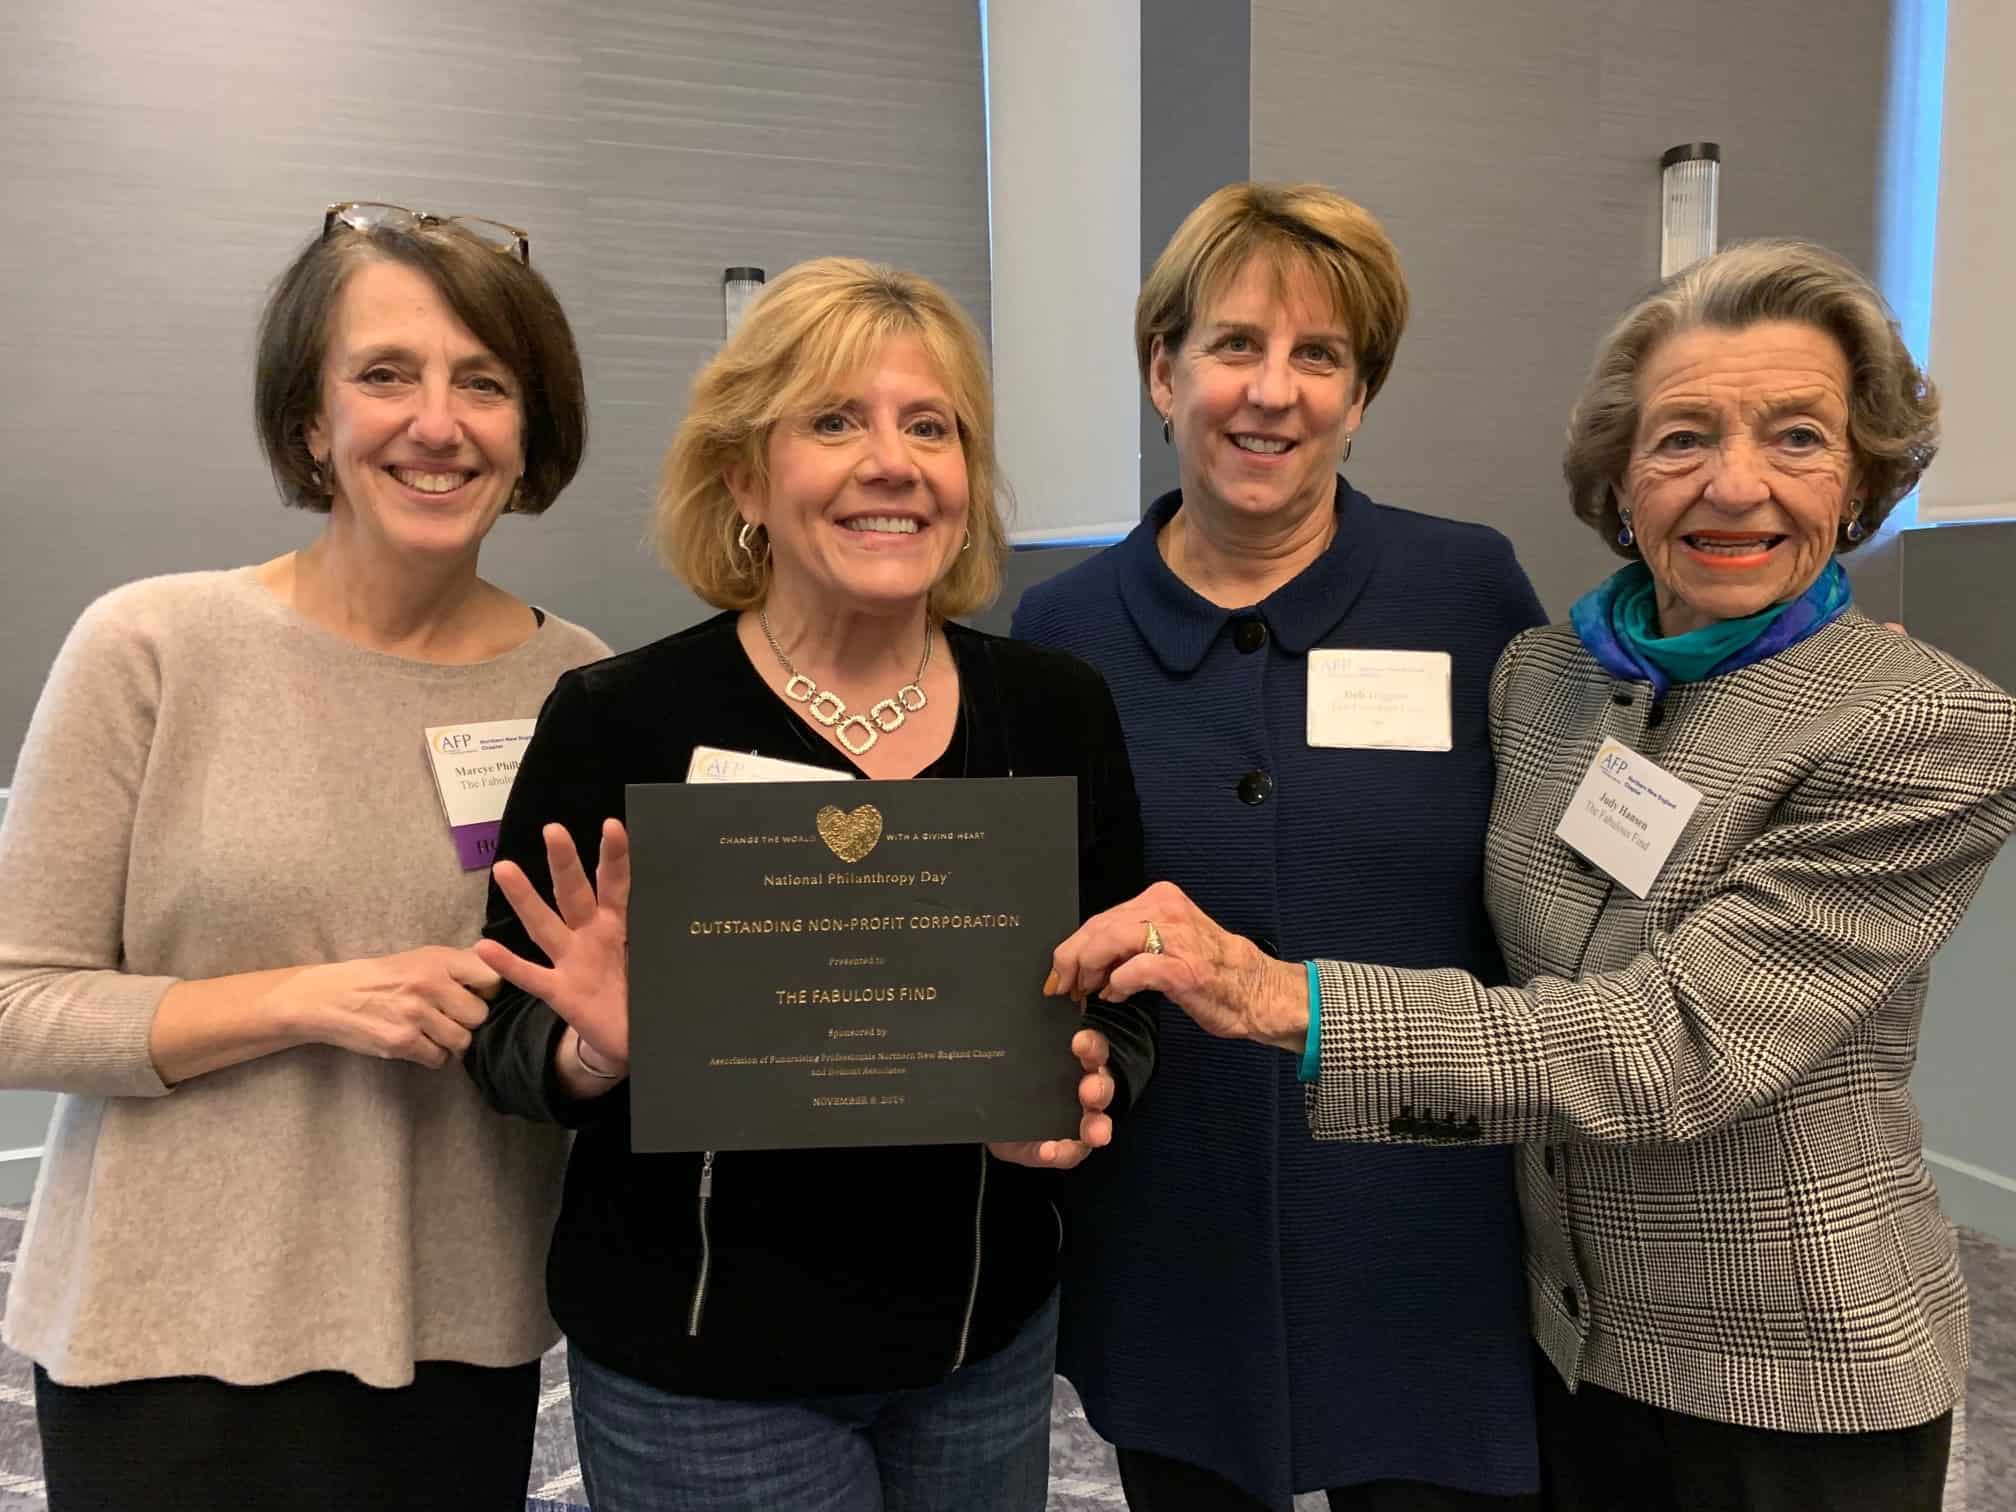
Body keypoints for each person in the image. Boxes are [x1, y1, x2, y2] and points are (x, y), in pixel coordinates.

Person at [1053, 238, 2016, 1512]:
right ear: (1621, 478)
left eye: (1797, 438)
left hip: (1783, 1355)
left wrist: (1294, 998)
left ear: (1865, 479)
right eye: (1681, 439)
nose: (1735, 485)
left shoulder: (1921, 724)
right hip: (1563, 1324)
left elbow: (1673, 1042)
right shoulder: (1553, 679)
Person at [463, 255, 1156, 1512]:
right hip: (705, 1370)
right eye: (833, 420)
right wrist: (594, 1054)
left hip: (979, 1350)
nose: (891, 461)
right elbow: (505, 1033)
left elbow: (1123, 997)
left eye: (930, 426)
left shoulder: (1053, 711)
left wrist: (1087, 1071)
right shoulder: (622, 718)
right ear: (744, 477)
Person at [0, 203, 606, 1510]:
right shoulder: (150, 647)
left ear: (530, 430)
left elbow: (580, 1014)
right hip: (165, 1342)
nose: (435, 424)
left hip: (464, 1336)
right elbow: (11, 1006)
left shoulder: (586, 687)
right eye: (384, 375)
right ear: (310, 421)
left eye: (483, 384)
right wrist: (308, 999)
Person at [1013, 182, 1544, 1510]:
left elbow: (1584, 820)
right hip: (1172, 1231)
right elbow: (1030, 920)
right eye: (1234, 345)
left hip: (1431, 1226)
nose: (1275, 391)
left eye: (1322, 357)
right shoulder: (1063, 629)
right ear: (1161, 370)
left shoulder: (1468, 588)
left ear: (1360, 397)